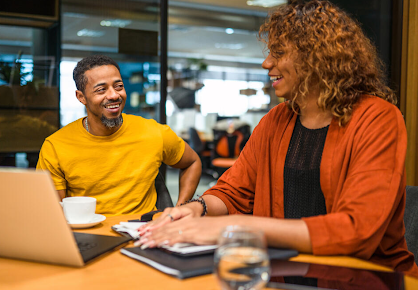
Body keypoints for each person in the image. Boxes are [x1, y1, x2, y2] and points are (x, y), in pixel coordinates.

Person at [138, 0, 418, 276]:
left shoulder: (377, 118)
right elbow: (233, 192)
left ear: (315, 57)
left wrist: (234, 228)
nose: (266, 62)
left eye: (278, 52)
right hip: (282, 274)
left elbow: (356, 230)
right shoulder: (276, 120)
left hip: (364, 279)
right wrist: (197, 209)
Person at [37, 55, 201, 216]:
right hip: (87, 235)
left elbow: (192, 162)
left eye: (118, 86)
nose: (114, 95)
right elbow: (53, 211)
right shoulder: (56, 146)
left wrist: (180, 208)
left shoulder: (153, 132)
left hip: (144, 233)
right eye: (101, 90)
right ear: (81, 97)